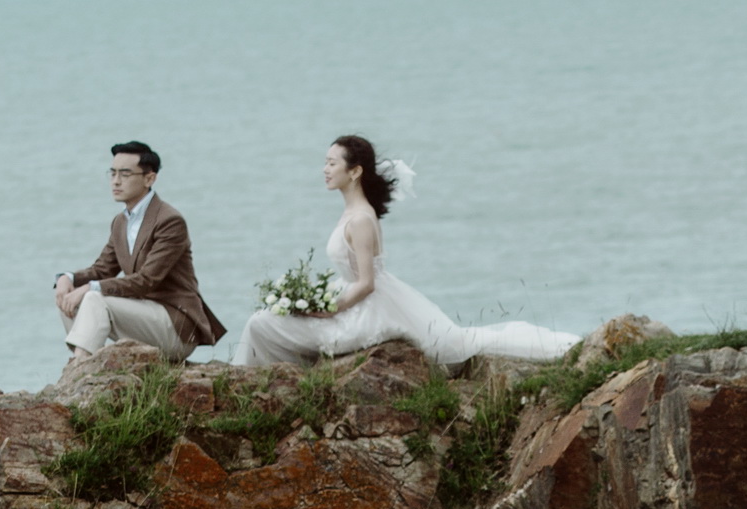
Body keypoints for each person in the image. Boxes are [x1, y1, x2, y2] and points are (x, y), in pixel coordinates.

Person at [234, 135, 576, 370]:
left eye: (331, 163)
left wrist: (328, 310)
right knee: (264, 321)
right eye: (324, 162)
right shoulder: (351, 213)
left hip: (364, 310)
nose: (325, 169)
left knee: (261, 323)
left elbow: (366, 283)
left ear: (354, 172)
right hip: (353, 299)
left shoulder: (361, 219)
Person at [54, 141, 227, 363]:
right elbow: (103, 269)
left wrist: (89, 288)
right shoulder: (120, 222)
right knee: (69, 297)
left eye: (125, 174)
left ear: (149, 178)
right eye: (112, 173)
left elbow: (147, 280)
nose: (116, 181)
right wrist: (67, 278)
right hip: (142, 319)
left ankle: (80, 368)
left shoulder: (169, 221)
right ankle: (91, 364)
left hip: (175, 327)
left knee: (94, 298)